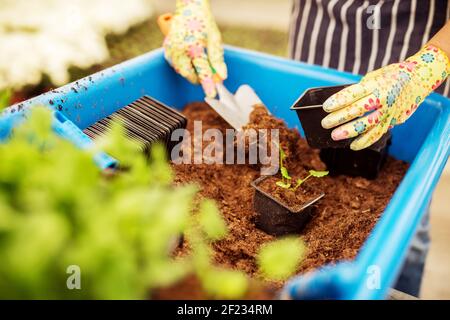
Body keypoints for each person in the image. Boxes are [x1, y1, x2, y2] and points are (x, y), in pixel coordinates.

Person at [161, 0, 450, 297]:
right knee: (305, 138)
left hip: (405, 58)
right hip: (317, 43)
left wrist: (430, 64)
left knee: (406, 236)